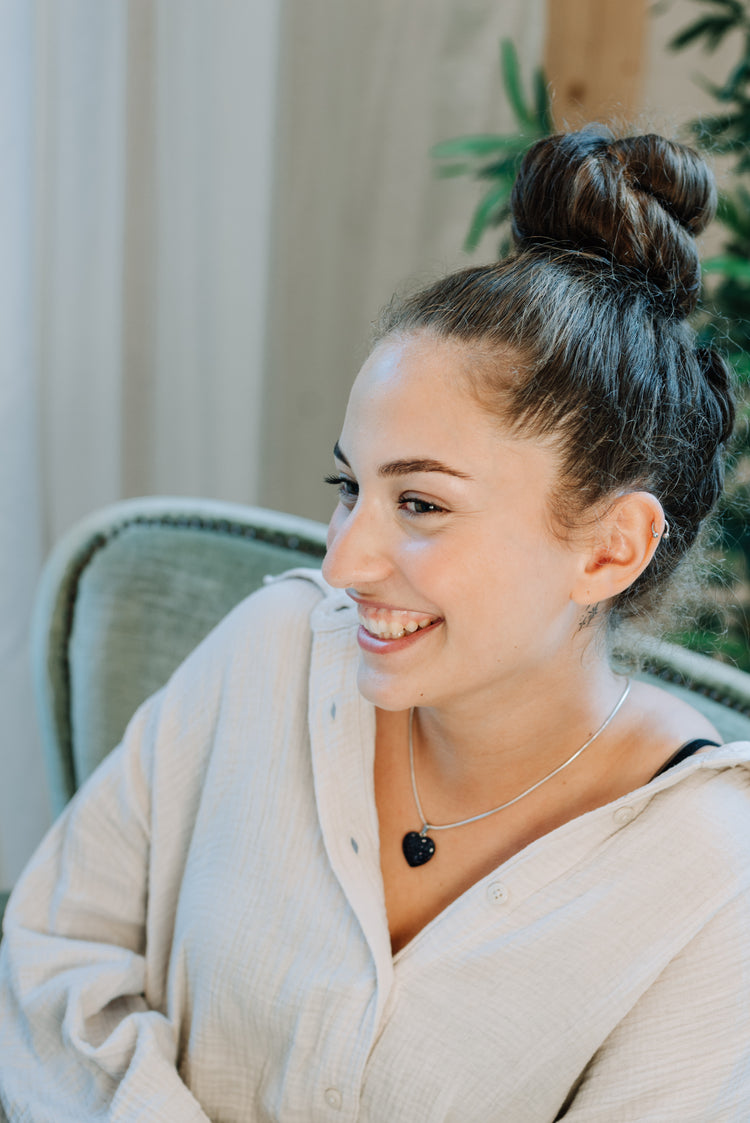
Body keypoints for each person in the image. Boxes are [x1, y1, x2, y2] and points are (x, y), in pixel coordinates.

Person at [1, 125, 749, 1122]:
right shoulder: (267, 652)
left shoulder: (709, 880)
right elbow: (53, 959)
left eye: (422, 505)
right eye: (349, 487)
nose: (343, 561)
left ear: (610, 547)